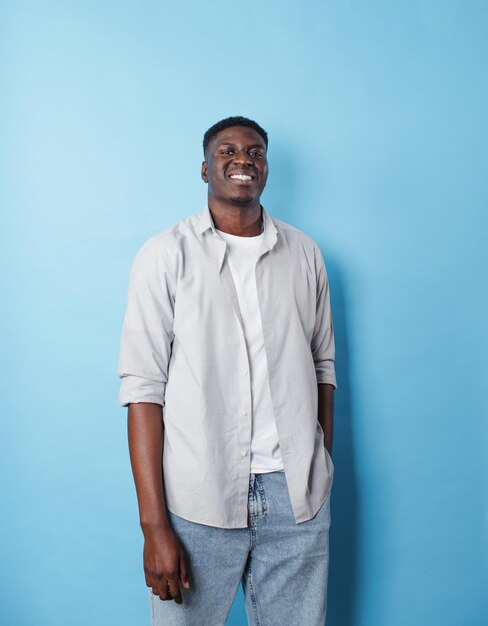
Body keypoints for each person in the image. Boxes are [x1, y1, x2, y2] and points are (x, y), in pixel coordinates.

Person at [118, 116, 337, 626]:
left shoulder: (305, 255)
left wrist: (320, 466)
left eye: (256, 152)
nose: (243, 159)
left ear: (266, 167)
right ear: (205, 168)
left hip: (296, 496)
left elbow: (323, 368)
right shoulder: (164, 256)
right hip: (196, 497)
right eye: (228, 150)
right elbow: (143, 390)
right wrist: (155, 526)